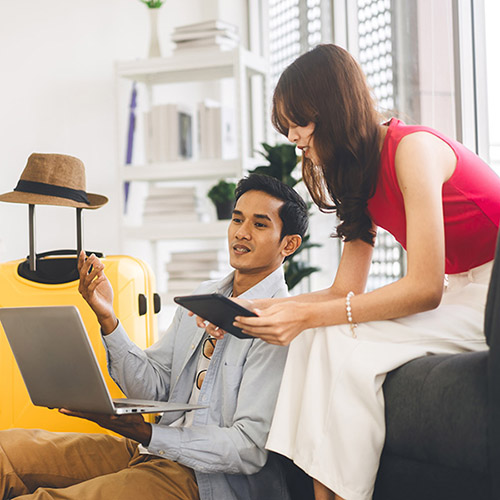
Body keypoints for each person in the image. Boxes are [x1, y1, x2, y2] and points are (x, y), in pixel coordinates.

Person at [207, 44, 500, 500]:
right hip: (464, 287)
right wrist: (259, 307)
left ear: (330, 109)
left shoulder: (413, 150)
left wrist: (305, 316)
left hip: (493, 291)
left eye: (297, 123)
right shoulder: (357, 173)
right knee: (318, 338)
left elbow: (425, 289)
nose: (292, 137)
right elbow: (346, 289)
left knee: (337, 343)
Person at [0, 174, 309, 500]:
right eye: (237, 219)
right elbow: (155, 386)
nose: (241, 232)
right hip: (149, 450)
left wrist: (150, 432)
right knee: (8, 450)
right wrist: (108, 318)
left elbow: (248, 448)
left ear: (288, 244)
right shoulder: (204, 295)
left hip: (205, 482)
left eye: (259, 225)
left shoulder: (280, 324)